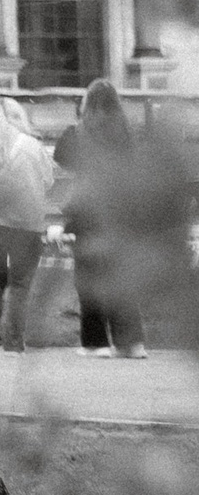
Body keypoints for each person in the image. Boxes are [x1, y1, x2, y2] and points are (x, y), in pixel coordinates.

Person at [57, 81, 149, 358]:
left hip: (87, 215)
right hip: (121, 215)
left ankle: (96, 342)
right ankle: (131, 343)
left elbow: (61, 156)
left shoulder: (79, 134)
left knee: (88, 279)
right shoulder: (127, 136)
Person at [0, 96, 54, 353]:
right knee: (20, 282)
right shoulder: (33, 146)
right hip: (28, 224)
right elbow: (48, 181)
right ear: (19, 117)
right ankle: (14, 340)